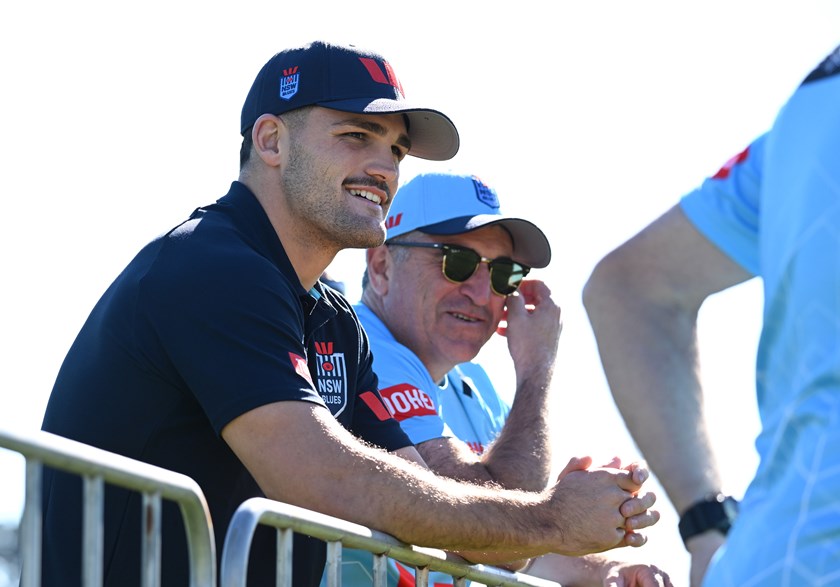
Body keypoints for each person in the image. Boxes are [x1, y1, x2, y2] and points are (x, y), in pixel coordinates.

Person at [40, 40, 659, 587]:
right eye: (356, 136)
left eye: (396, 148)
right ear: (271, 140)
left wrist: (565, 526)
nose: (385, 168)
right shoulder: (212, 266)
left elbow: (440, 515)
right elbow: (321, 477)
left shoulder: (332, 316)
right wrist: (550, 517)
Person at [331, 172, 671, 587]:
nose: (481, 293)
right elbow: (488, 537)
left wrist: (609, 572)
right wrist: (537, 367)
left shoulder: (473, 383)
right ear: (381, 265)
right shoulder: (360, 343)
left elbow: (514, 535)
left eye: (503, 273)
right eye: (456, 261)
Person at [582, 44, 840, 587]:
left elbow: (627, 287)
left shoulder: (811, 106)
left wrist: (706, 523)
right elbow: (626, 288)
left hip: (769, 561)